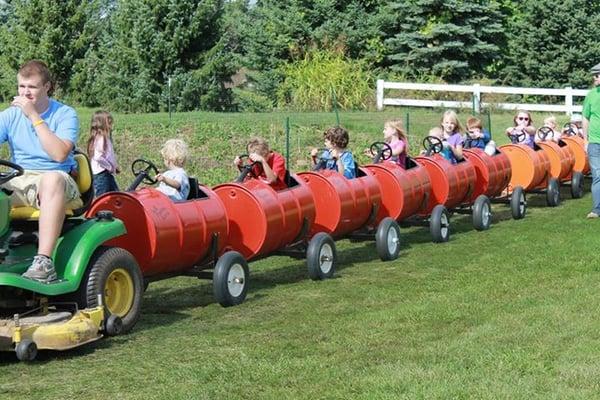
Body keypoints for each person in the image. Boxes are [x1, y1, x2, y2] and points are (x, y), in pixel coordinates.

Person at [0, 60, 81, 282]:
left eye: (32, 87)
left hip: (57, 180)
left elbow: (59, 154)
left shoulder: (66, 114)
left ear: (47, 86)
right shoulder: (8, 116)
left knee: (51, 179)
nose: (25, 93)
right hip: (19, 179)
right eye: (21, 87)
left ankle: (43, 262)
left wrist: (34, 117)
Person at [582, 62, 600, 218]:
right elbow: (586, 118)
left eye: (597, 75)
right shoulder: (591, 95)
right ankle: (596, 210)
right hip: (594, 142)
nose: (594, 78)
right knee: (597, 175)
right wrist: (585, 140)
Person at [87, 110, 119, 196]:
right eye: (109, 123)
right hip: (101, 174)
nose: (111, 125)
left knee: (116, 196)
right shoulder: (101, 138)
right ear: (102, 124)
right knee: (103, 199)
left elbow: (108, 155)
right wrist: (109, 166)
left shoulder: (103, 138)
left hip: (106, 173)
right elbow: (98, 157)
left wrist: (114, 166)